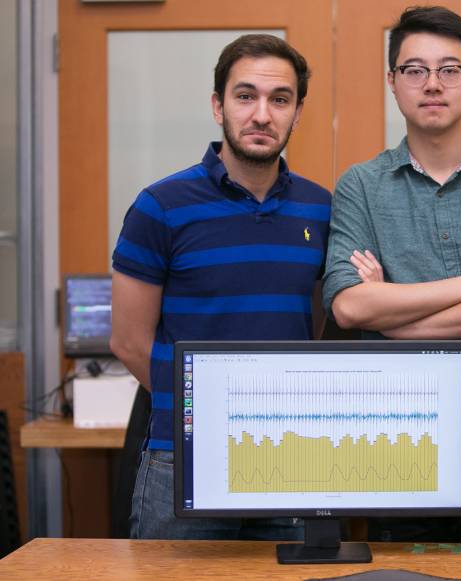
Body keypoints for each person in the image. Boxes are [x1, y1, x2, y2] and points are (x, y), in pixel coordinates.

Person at [321, 6, 461, 542]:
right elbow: (350, 306)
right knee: (401, 572)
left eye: (449, 69)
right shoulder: (361, 186)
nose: (432, 84)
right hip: (393, 431)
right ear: (392, 81)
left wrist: (392, 315)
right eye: (414, 70)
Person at [110, 34, 331, 540]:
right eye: (245, 96)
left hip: (292, 454)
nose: (261, 114)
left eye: (280, 99)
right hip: (184, 457)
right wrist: (211, 411)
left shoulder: (321, 209)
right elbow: (128, 342)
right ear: (218, 106)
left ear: (297, 113)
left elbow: (313, 323)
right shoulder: (160, 206)